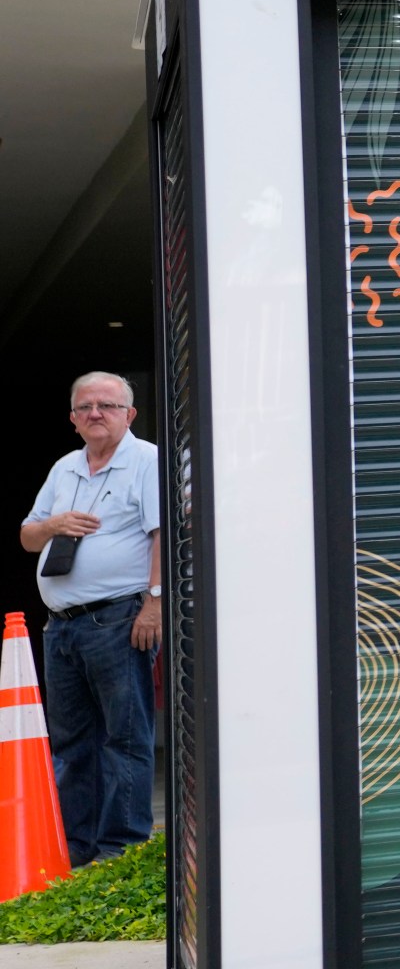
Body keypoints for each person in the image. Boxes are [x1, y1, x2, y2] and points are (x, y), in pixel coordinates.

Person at [21, 371, 160, 867]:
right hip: (62, 624)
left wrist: (156, 602)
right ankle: (76, 847)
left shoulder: (146, 460)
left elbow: (163, 533)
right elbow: (28, 537)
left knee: (123, 737)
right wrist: (54, 524)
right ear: (73, 419)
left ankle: (120, 850)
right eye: (85, 407)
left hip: (118, 618)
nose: (95, 413)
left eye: (107, 405)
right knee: (73, 741)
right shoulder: (65, 467)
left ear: (130, 414)